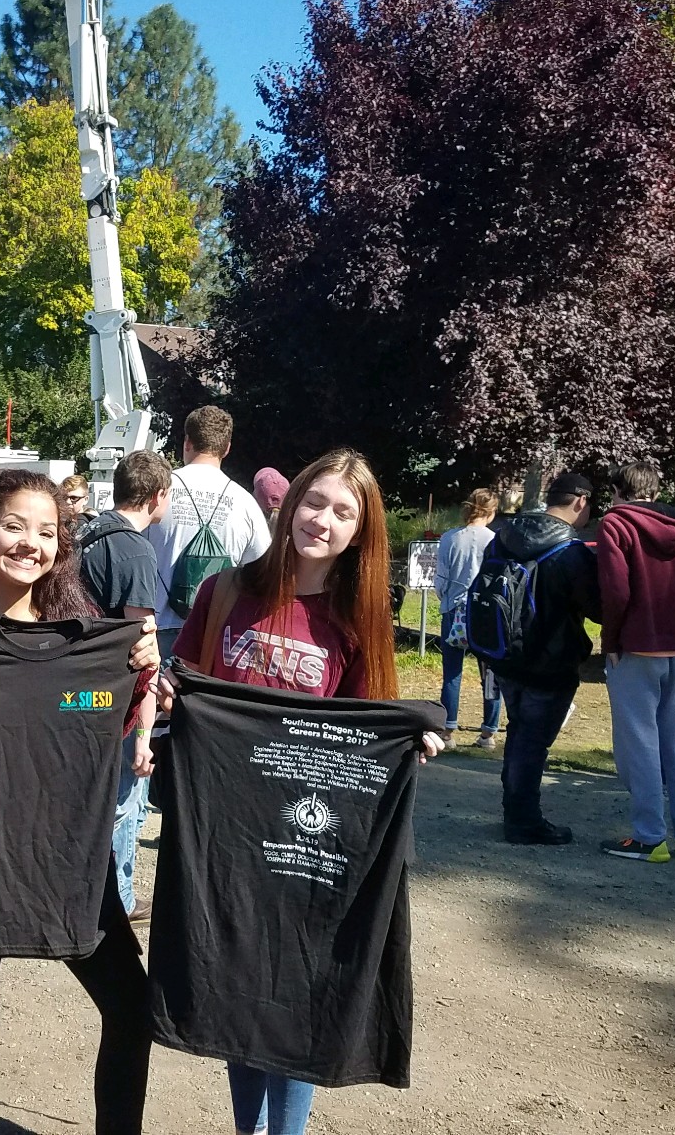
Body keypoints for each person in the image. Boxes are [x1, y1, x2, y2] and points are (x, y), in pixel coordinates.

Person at [164, 448, 443, 1135]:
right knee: (234, 983)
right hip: (228, 825)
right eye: (313, 502)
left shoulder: (359, 616)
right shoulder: (225, 591)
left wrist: (408, 743)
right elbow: (188, 685)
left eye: (342, 511)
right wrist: (167, 693)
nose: (321, 519)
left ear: (359, 530)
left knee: (295, 987)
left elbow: (367, 725)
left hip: (305, 833)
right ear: (289, 506)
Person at [0, 470, 160, 1135]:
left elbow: (97, 717)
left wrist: (138, 675)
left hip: (66, 855)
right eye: (14, 525)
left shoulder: (83, 639)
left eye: (46, 531)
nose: (29, 543)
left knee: (130, 1006)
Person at [597, 461, 675, 864]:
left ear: (618, 491)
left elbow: (616, 592)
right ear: (656, 488)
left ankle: (650, 836)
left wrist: (610, 639)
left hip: (636, 649)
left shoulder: (616, 524)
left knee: (642, 746)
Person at [77, 450, 171, 919]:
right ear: (157, 495)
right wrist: (143, 735)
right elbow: (144, 648)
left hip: (77, 692)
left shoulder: (86, 535)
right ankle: (118, 900)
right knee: (123, 800)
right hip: (113, 698)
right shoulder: (135, 550)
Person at [485, 474, 599, 845]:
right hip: (550, 661)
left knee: (520, 732)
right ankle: (523, 820)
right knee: (532, 741)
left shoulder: (504, 535)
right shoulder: (572, 551)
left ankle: (514, 812)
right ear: (580, 502)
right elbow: (598, 607)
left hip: (503, 653)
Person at [144, 405, 272, 657]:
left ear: (187, 442)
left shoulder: (157, 492)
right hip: (216, 633)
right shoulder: (245, 503)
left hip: (156, 630)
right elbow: (263, 571)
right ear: (226, 448)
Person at [434, 488, 502, 747]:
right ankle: (488, 732)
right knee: (491, 673)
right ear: (492, 511)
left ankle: (448, 730)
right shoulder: (496, 541)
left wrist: (447, 599)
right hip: (485, 613)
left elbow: (440, 579)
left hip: (454, 609)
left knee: (452, 673)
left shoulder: (450, 538)